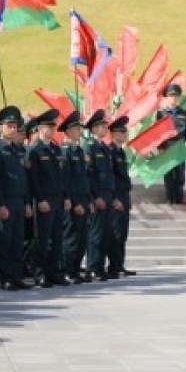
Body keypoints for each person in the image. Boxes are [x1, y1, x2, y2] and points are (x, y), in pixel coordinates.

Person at [0, 106, 31, 291]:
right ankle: (5, 276)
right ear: (0, 127)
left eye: (15, 126)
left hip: (19, 200)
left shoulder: (18, 150)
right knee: (4, 241)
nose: (13, 130)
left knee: (17, 240)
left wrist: (27, 202)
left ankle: (16, 275)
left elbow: (24, 179)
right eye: (9, 126)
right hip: (5, 201)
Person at [26, 108, 69, 287]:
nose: (52, 130)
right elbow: (33, 178)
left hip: (57, 199)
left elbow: (62, 176)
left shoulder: (55, 149)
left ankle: (54, 271)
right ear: (40, 128)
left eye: (54, 127)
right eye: (49, 127)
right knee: (42, 238)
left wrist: (65, 196)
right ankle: (40, 272)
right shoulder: (34, 150)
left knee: (57, 238)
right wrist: (40, 199)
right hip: (44, 200)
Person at [58, 110, 93, 283]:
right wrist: (73, 202)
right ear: (69, 131)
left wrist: (88, 201)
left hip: (83, 199)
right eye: (77, 129)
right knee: (71, 238)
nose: (80, 132)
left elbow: (84, 179)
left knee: (82, 238)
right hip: (73, 201)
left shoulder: (78, 151)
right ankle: (67, 270)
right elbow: (66, 180)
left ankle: (76, 269)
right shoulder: (65, 152)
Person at [83, 110, 116, 282]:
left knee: (105, 233)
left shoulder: (104, 147)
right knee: (95, 234)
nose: (105, 129)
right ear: (94, 128)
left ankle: (100, 267)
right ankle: (92, 267)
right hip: (98, 196)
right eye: (102, 126)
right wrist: (95, 197)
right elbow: (89, 175)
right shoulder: (90, 147)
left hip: (107, 193)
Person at [106, 115, 137, 278]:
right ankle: (113, 266)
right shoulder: (110, 152)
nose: (124, 135)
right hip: (116, 195)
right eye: (120, 132)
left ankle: (119, 264)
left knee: (122, 232)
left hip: (124, 195)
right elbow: (110, 177)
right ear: (112, 134)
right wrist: (114, 198)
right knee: (116, 232)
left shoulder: (121, 152)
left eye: (125, 132)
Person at [160, 83, 186, 205]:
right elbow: (157, 133)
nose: (173, 98)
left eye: (175, 96)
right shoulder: (161, 114)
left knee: (180, 173)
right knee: (168, 173)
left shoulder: (183, 113)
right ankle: (170, 197)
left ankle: (179, 197)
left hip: (180, 147)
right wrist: (160, 147)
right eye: (171, 96)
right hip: (167, 147)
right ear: (167, 98)